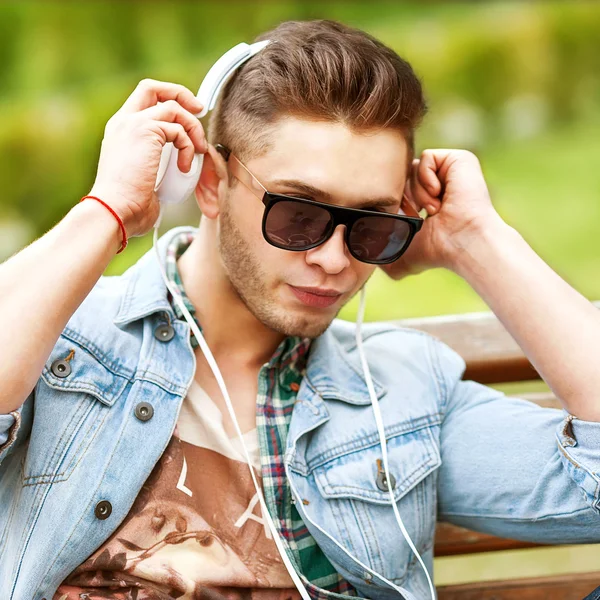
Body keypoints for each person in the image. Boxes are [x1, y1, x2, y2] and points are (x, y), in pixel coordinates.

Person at [0, 18, 599, 600]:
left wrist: (477, 240)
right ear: (210, 182)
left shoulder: (401, 391)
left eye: (372, 224)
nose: (335, 260)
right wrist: (108, 212)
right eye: (299, 215)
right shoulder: (62, 340)